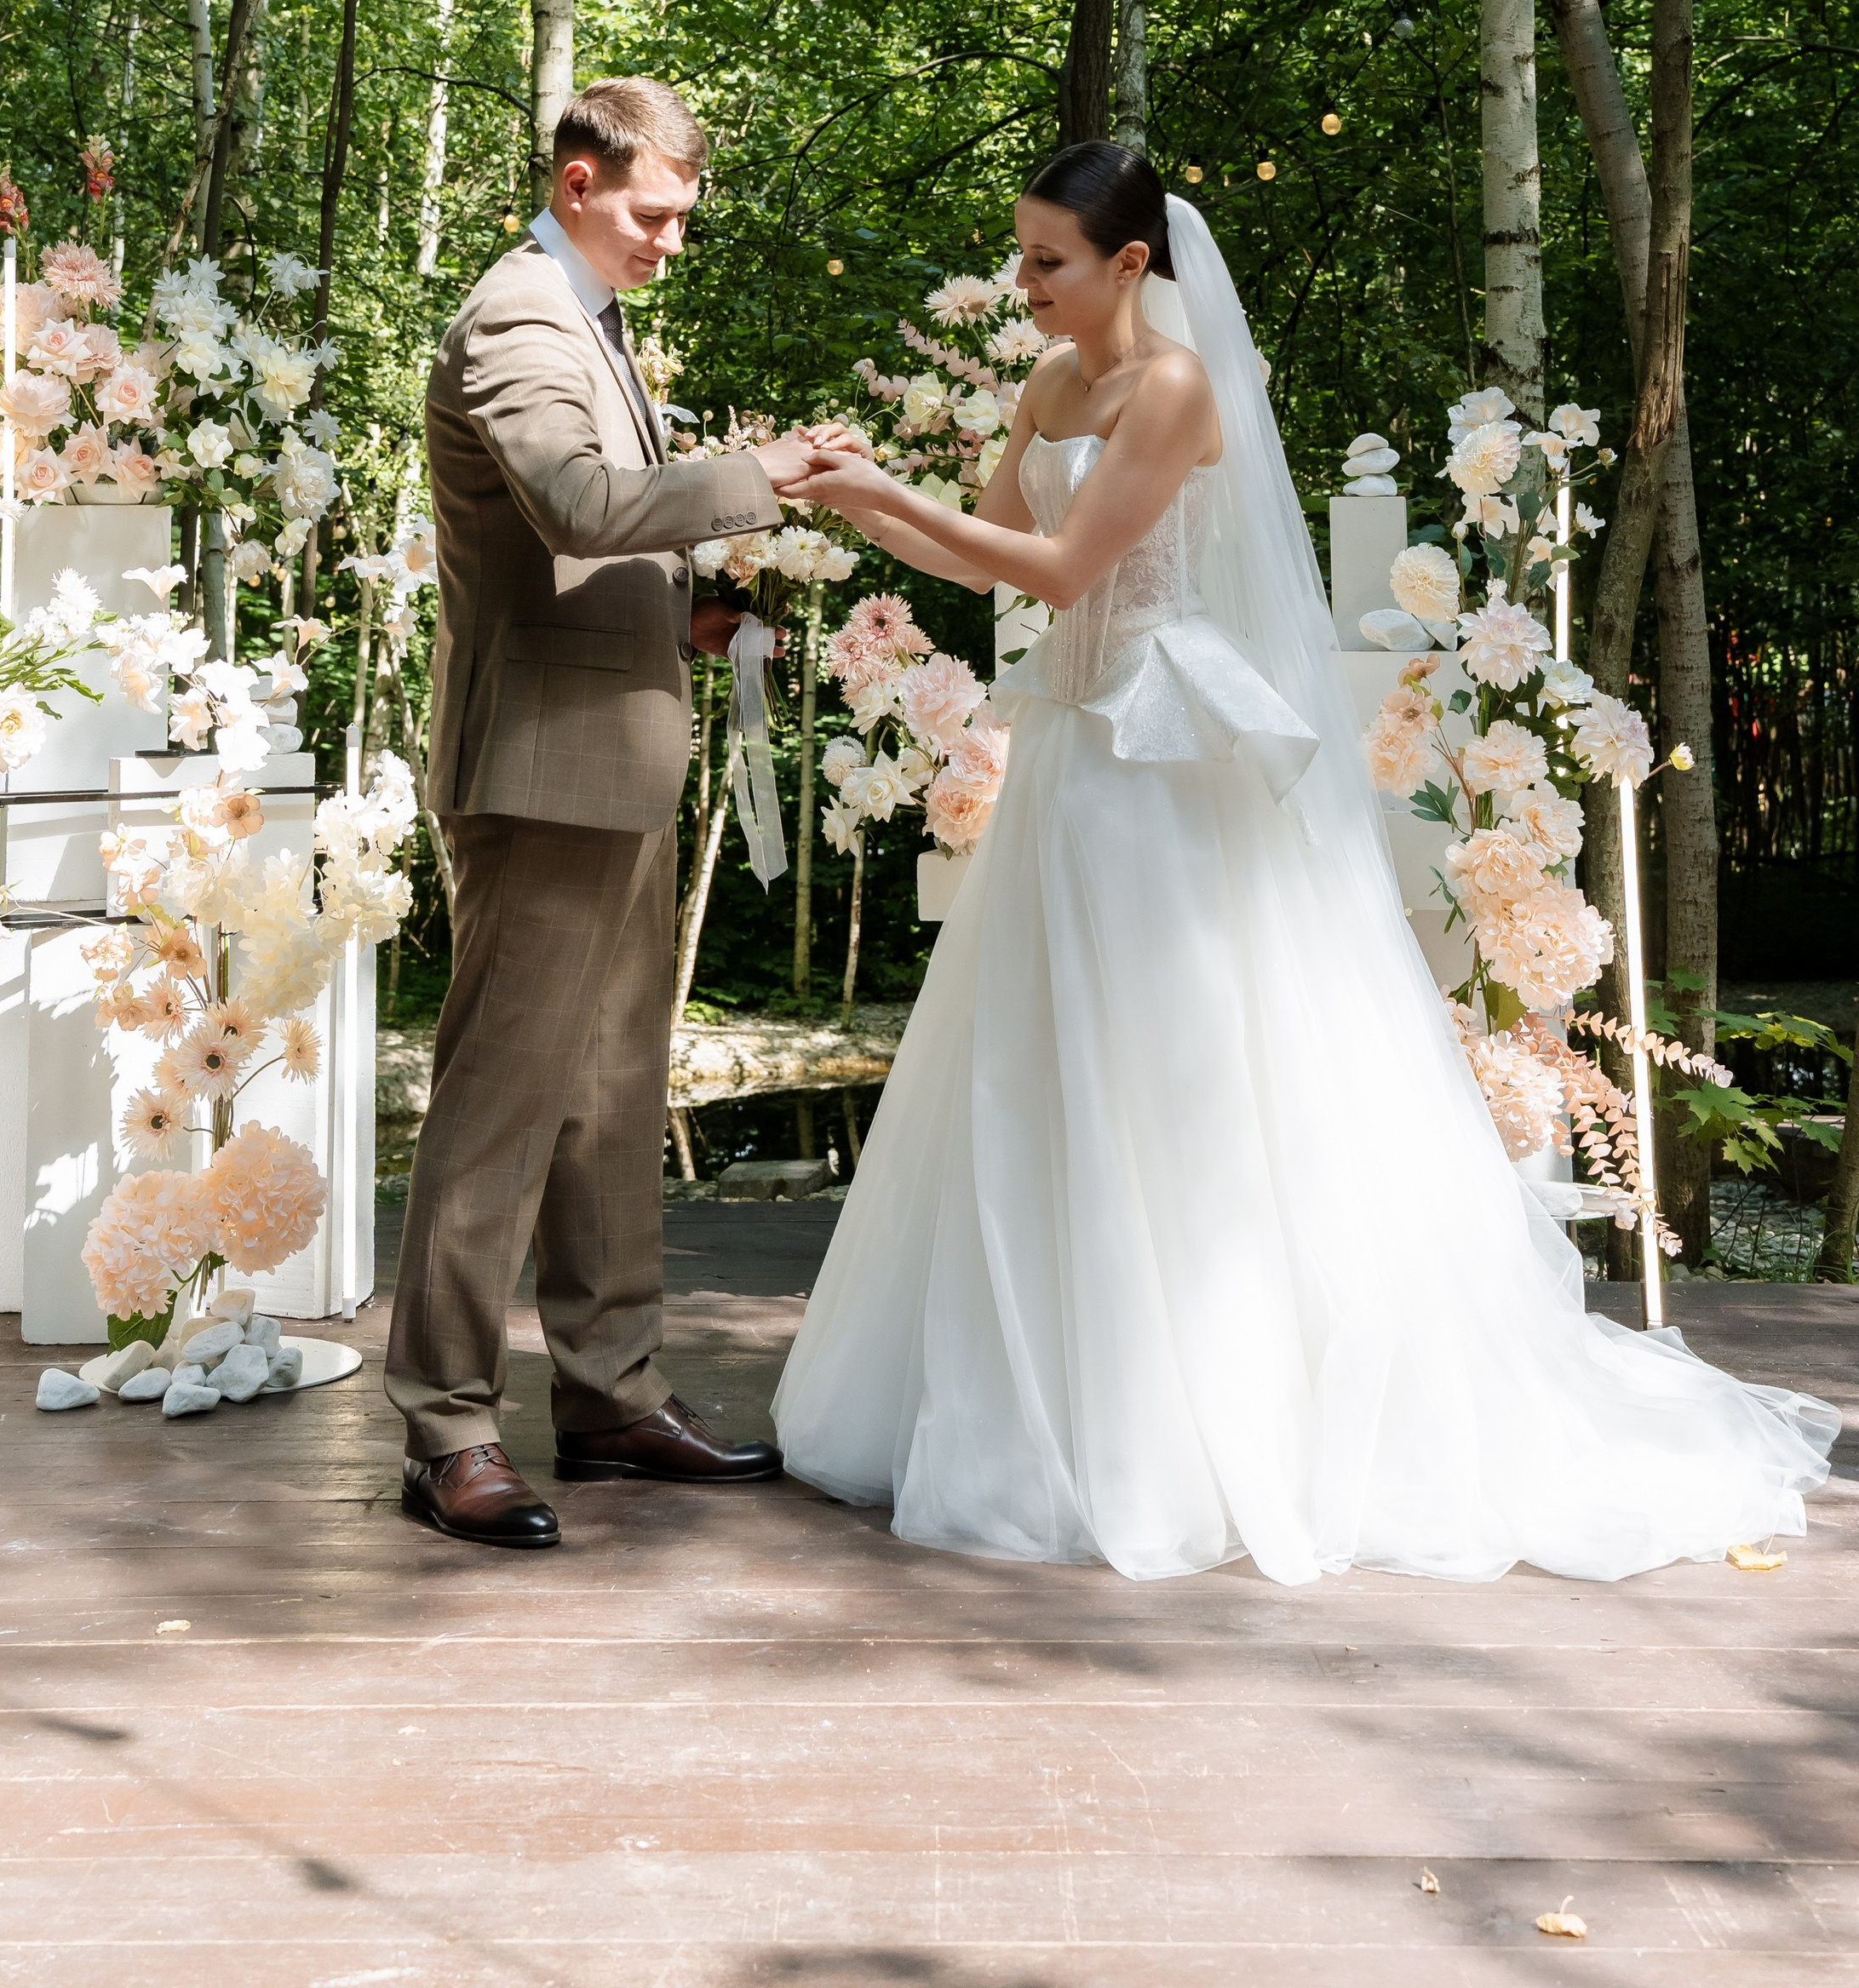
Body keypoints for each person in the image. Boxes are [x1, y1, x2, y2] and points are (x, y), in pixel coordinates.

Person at [776, 142, 1837, 1584]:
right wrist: (859, 499)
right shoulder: (1051, 384)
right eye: (1021, 255)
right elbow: (984, 562)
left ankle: (1196, 1411)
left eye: (1047, 259)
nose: (1024, 283)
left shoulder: (1170, 388)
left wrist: (877, 495)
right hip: (1071, 754)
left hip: (1155, 754)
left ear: (1131, 263)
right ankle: (1047, 1398)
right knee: (1043, 1055)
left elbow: (1067, 573)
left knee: (1173, 1065)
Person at [389, 77, 841, 1549]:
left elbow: (582, 552)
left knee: (610, 1100)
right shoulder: (519, 318)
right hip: (541, 771)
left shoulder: (590, 316)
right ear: (576, 182)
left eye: (683, 218)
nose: (669, 241)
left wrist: (689, 612)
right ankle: (447, 1429)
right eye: (653, 213)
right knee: (501, 1105)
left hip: (614, 754)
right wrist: (759, 479)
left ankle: (612, 1398)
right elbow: (579, 503)